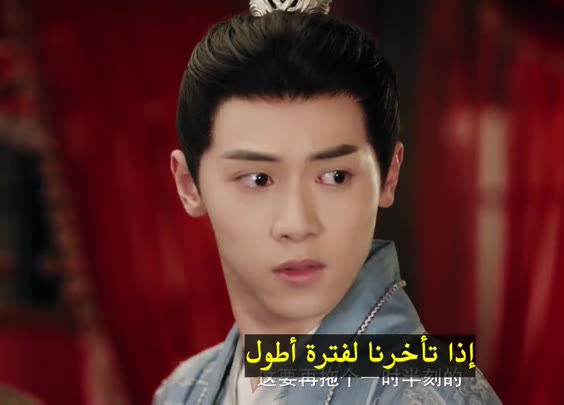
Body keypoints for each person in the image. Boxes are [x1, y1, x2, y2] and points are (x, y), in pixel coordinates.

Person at [154, 0, 501, 403]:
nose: (297, 223)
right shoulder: (184, 390)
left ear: (389, 175)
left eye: (335, 177)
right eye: (258, 179)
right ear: (189, 184)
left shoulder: (433, 393)